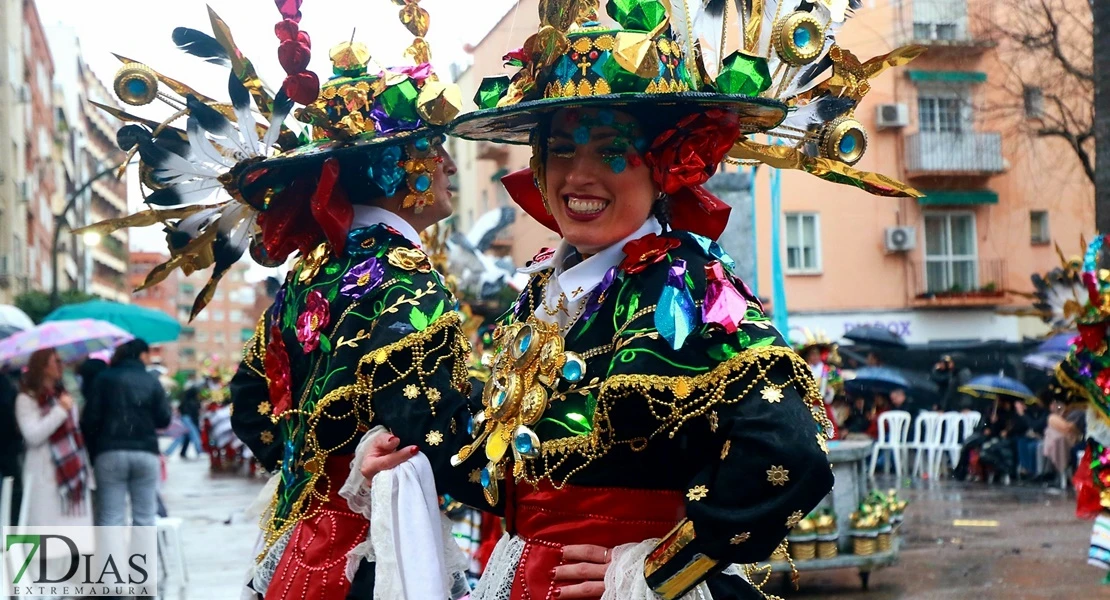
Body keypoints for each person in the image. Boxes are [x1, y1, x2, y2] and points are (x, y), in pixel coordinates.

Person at [364, 1, 923, 596]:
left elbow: (790, 452)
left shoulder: (686, 283)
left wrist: (655, 569)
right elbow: (515, 468)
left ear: (663, 168)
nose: (577, 176)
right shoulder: (542, 294)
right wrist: (408, 455)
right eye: (561, 151)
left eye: (610, 152)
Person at [80, 339, 172, 527]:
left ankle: (111, 558)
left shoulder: (103, 379)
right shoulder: (151, 381)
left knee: (111, 516)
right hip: (146, 452)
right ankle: (142, 557)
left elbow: (90, 420)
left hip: (110, 452)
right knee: (145, 517)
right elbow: (164, 419)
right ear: (142, 355)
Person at [14, 348, 92, 527]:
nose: (61, 365)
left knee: (71, 538)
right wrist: (60, 411)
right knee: (45, 538)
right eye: (56, 361)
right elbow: (33, 435)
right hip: (44, 473)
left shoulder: (63, 395)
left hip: (72, 471)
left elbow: (74, 433)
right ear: (43, 366)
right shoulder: (27, 398)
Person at [0, 368, 23, 525]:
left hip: (7, 446)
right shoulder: (6, 384)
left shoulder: (5, 384)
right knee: (13, 494)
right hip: (8, 447)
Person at [164, 378, 203, 459]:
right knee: (194, 435)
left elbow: (180, 409)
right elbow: (196, 413)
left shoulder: (185, 400)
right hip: (189, 419)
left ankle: (171, 452)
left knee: (182, 437)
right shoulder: (194, 401)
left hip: (185, 418)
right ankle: (199, 450)